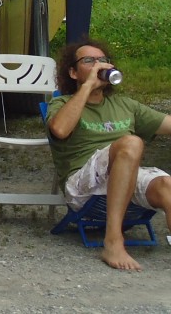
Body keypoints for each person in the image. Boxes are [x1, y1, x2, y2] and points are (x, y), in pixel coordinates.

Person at [47, 36, 171, 272]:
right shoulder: (62, 103)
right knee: (131, 143)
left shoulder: (125, 104)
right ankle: (113, 241)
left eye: (103, 60)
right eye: (89, 61)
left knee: (166, 184)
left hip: (123, 179)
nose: (99, 64)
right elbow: (60, 130)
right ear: (73, 72)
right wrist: (86, 87)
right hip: (82, 185)